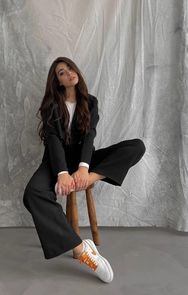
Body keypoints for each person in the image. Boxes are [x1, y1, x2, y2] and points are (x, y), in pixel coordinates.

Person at [23, 56, 146, 283]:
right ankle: (82, 250)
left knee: (136, 146)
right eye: (61, 72)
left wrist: (84, 171)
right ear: (58, 81)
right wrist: (62, 173)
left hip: (84, 162)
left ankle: (90, 176)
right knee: (32, 194)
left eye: (70, 68)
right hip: (55, 162)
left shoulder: (90, 102)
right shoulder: (50, 106)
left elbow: (90, 136)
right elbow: (53, 140)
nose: (68, 72)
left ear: (76, 72)